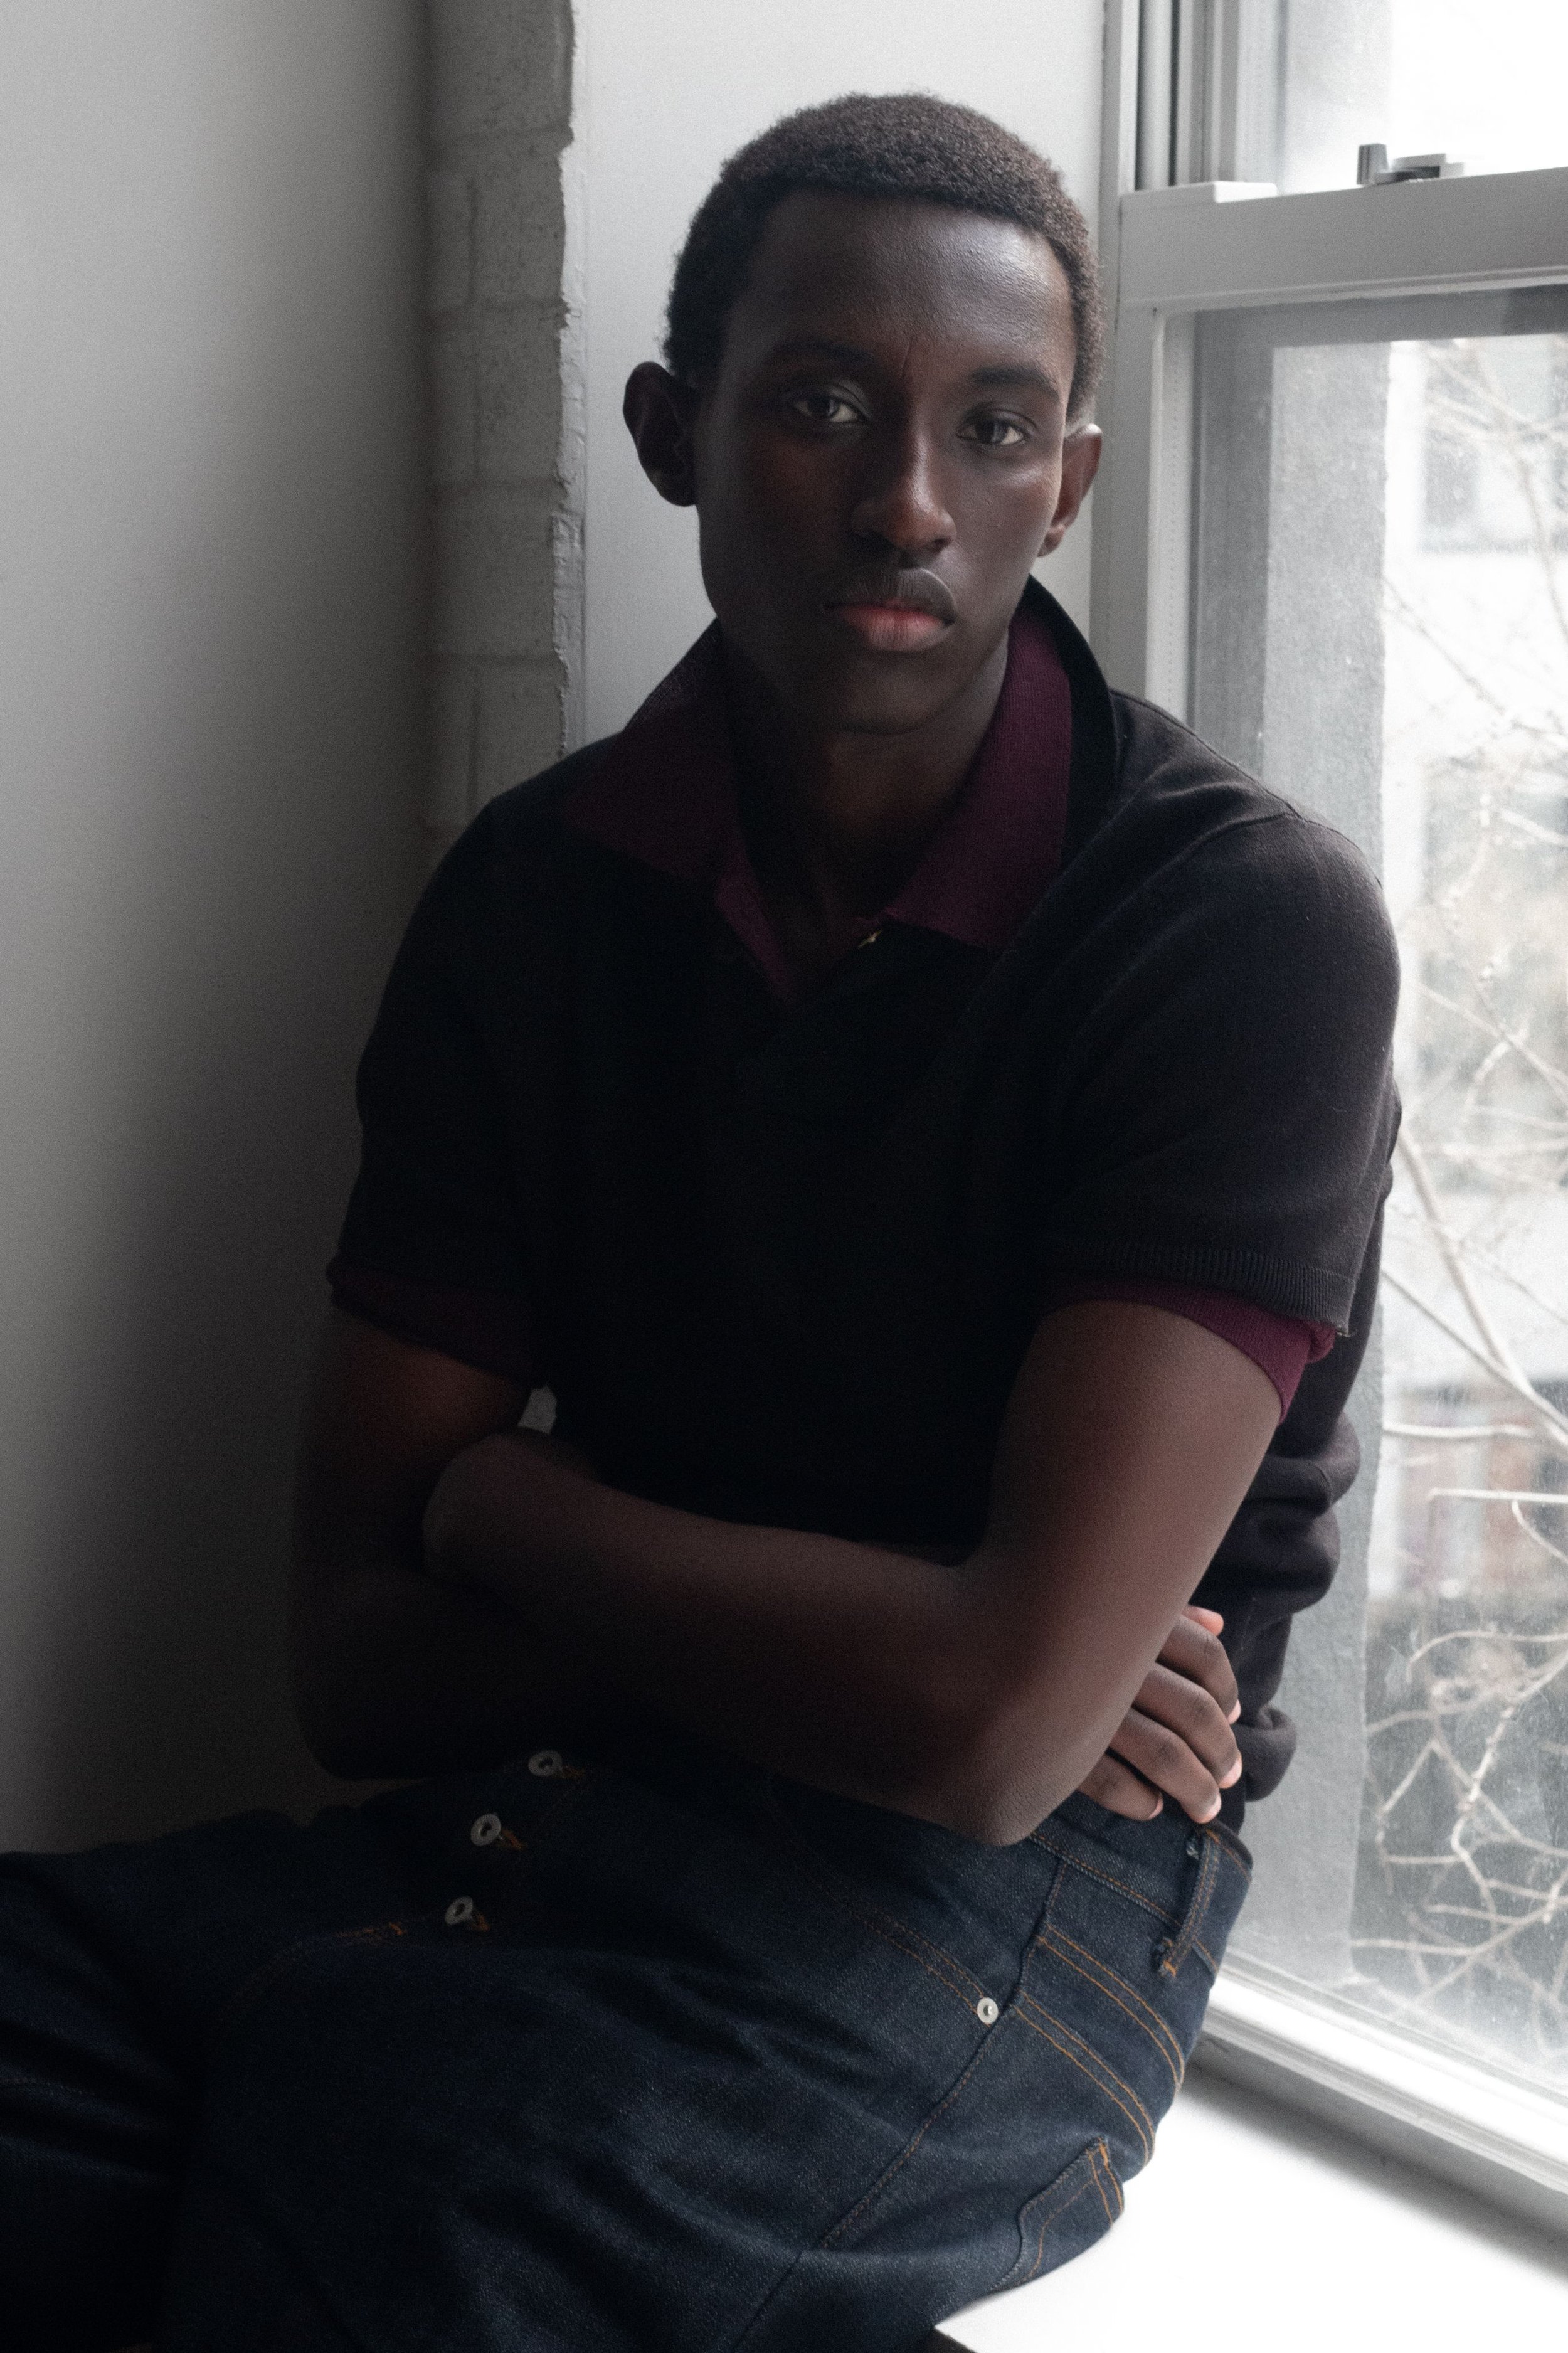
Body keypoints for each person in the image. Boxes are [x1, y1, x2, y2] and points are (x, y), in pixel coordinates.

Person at [0, 94, 1397, 2353]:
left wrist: (517, 1506)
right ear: (672, 432)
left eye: (994, 428)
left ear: (1069, 482)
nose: (909, 501)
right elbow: (357, 1664)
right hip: (580, 1810)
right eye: (823, 404)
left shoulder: (1236, 933)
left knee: (408, 2154)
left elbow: (991, 1745)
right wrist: (912, 1626)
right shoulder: (534, 900)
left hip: (1009, 1925)